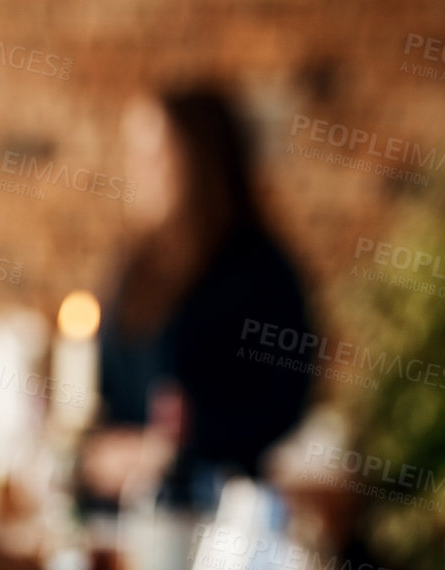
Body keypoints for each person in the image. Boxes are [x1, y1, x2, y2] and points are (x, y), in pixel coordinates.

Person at [82, 87, 313, 511]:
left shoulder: (260, 271)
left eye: (155, 155)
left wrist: (174, 450)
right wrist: (101, 450)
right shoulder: (136, 269)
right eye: (133, 154)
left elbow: (281, 404)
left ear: (199, 159)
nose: (137, 171)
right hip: (122, 513)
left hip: (218, 515)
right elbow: (106, 387)